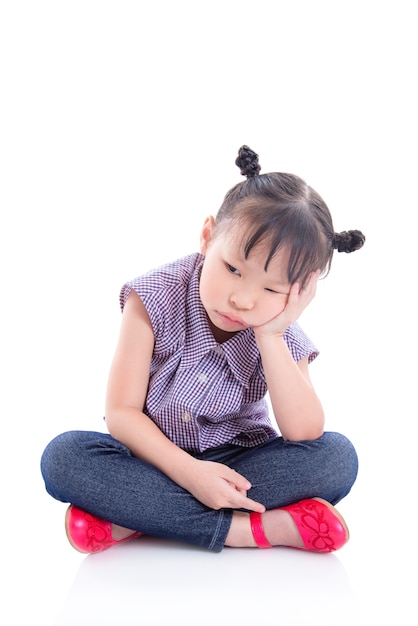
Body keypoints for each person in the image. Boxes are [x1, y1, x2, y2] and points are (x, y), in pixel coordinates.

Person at [40, 145, 365, 555]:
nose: (243, 300)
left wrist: (270, 336)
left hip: (239, 464)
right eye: (232, 269)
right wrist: (191, 474)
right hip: (152, 457)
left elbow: (304, 433)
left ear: (299, 293)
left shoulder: (280, 332)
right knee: (64, 458)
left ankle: (136, 517)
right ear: (208, 237)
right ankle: (248, 531)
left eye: (270, 289)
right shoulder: (154, 295)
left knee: (336, 458)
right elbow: (122, 413)